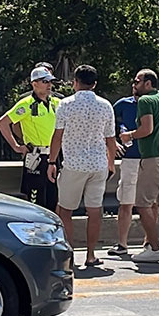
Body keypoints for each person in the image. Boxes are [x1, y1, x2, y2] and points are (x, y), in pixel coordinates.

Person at [46, 66, 117, 266]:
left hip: (73, 164)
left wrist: (52, 161)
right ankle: (91, 254)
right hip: (98, 164)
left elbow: (57, 136)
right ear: (94, 83)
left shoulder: (66, 105)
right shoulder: (105, 106)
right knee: (95, 210)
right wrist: (111, 162)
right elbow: (110, 139)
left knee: (65, 210)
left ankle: (70, 255)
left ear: (75, 82)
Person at [119, 69, 159, 264]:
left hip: (154, 157)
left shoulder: (145, 101)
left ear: (148, 83)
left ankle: (153, 248)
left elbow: (147, 129)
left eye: (137, 81)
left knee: (143, 204)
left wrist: (129, 136)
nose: (134, 84)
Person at [0, 66, 59, 211]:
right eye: (45, 81)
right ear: (34, 83)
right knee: (36, 200)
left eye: (50, 81)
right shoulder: (26, 104)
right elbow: (3, 123)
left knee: (53, 199)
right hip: (37, 156)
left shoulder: (57, 103)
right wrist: (16, 146)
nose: (49, 85)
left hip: (55, 156)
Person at [110, 82, 151, 256]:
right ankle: (122, 244)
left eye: (138, 82)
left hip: (150, 158)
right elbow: (108, 124)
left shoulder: (153, 104)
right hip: (130, 158)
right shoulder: (122, 104)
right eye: (133, 82)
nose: (134, 85)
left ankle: (149, 242)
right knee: (126, 202)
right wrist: (114, 143)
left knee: (151, 203)